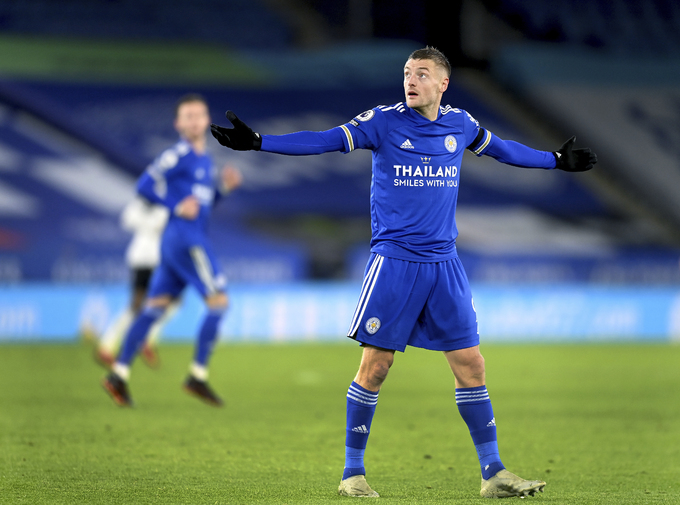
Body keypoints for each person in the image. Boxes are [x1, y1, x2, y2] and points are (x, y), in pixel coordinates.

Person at [210, 46, 596, 499]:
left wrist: (554, 160)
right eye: (408, 73)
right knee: (376, 366)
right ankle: (353, 474)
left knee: (471, 365)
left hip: (445, 264)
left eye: (422, 74)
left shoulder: (460, 124)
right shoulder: (383, 121)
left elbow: (503, 150)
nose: (411, 80)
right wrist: (260, 142)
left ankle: (493, 473)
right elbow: (325, 140)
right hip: (395, 262)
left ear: (443, 83)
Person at [102, 93, 242, 408]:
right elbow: (144, 185)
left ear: (207, 120)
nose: (194, 121)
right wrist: (175, 205)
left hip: (175, 243)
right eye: (188, 116)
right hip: (187, 241)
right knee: (219, 303)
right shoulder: (177, 154)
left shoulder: (204, 159)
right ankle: (197, 376)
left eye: (199, 115)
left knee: (154, 308)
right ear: (178, 124)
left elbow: (202, 206)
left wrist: (223, 189)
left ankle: (118, 374)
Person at [92, 196, 177, 370]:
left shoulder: (158, 200)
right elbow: (128, 220)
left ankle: (114, 344)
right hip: (148, 259)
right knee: (149, 304)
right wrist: (153, 219)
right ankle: (122, 344)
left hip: (149, 258)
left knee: (164, 302)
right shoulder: (150, 201)